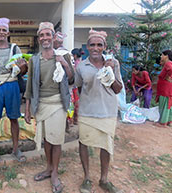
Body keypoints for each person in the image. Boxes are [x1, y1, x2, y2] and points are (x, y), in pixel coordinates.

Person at [24, 22, 74, 193]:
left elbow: (72, 79)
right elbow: (30, 85)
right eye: (42, 35)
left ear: (53, 37)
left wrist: (65, 65)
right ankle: (48, 168)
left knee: (56, 139)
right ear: (39, 39)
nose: (45, 38)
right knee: (47, 139)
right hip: (42, 104)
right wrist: (28, 109)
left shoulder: (63, 56)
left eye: (48, 34)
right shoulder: (34, 60)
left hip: (58, 104)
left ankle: (54, 173)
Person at [74, 29, 123, 193]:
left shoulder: (114, 63)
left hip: (107, 112)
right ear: (87, 46)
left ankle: (104, 179)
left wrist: (109, 73)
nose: (95, 48)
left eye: (99, 45)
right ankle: (87, 178)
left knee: (106, 146)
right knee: (84, 143)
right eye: (92, 45)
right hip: (87, 112)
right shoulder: (81, 66)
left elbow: (118, 89)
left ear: (104, 47)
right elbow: (80, 88)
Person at [0, 17, 27, 164]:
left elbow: (22, 70)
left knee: (14, 118)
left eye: (4, 30)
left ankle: (16, 148)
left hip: (12, 85)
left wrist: (23, 66)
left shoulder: (15, 49)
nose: (1, 33)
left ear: (8, 33)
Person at [156, 50, 172, 126]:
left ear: (166, 56)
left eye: (162, 55)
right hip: (165, 88)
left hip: (166, 89)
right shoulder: (167, 64)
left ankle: (163, 122)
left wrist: (167, 77)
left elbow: (171, 70)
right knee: (168, 104)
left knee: (164, 104)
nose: (161, 57)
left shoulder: (168, 64)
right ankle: (168, 121)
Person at [71, 48, 83, 125]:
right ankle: (75, 119)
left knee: (74, 103)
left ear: (75, 55)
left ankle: (73, 120)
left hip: (74, 86)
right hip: (77, 86)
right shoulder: (81, 63)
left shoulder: (76, 64)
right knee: (76, 103)